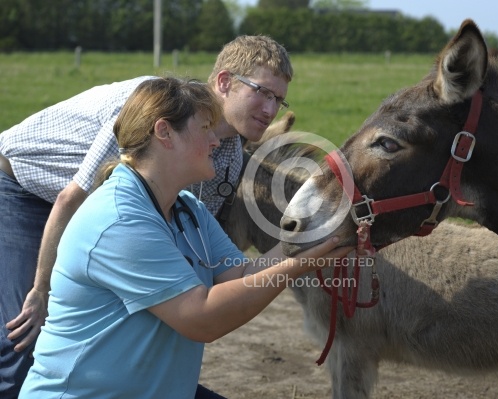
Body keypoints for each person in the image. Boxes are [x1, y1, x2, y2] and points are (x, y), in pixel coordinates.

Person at [17, 77, 351, 398]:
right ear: (165, 133)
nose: (216, 141)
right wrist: (305, 261)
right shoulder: (119, 220)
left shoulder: (187, 209)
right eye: (205, 129)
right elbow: (202, 319)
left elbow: (243, 275)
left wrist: (317, 233)